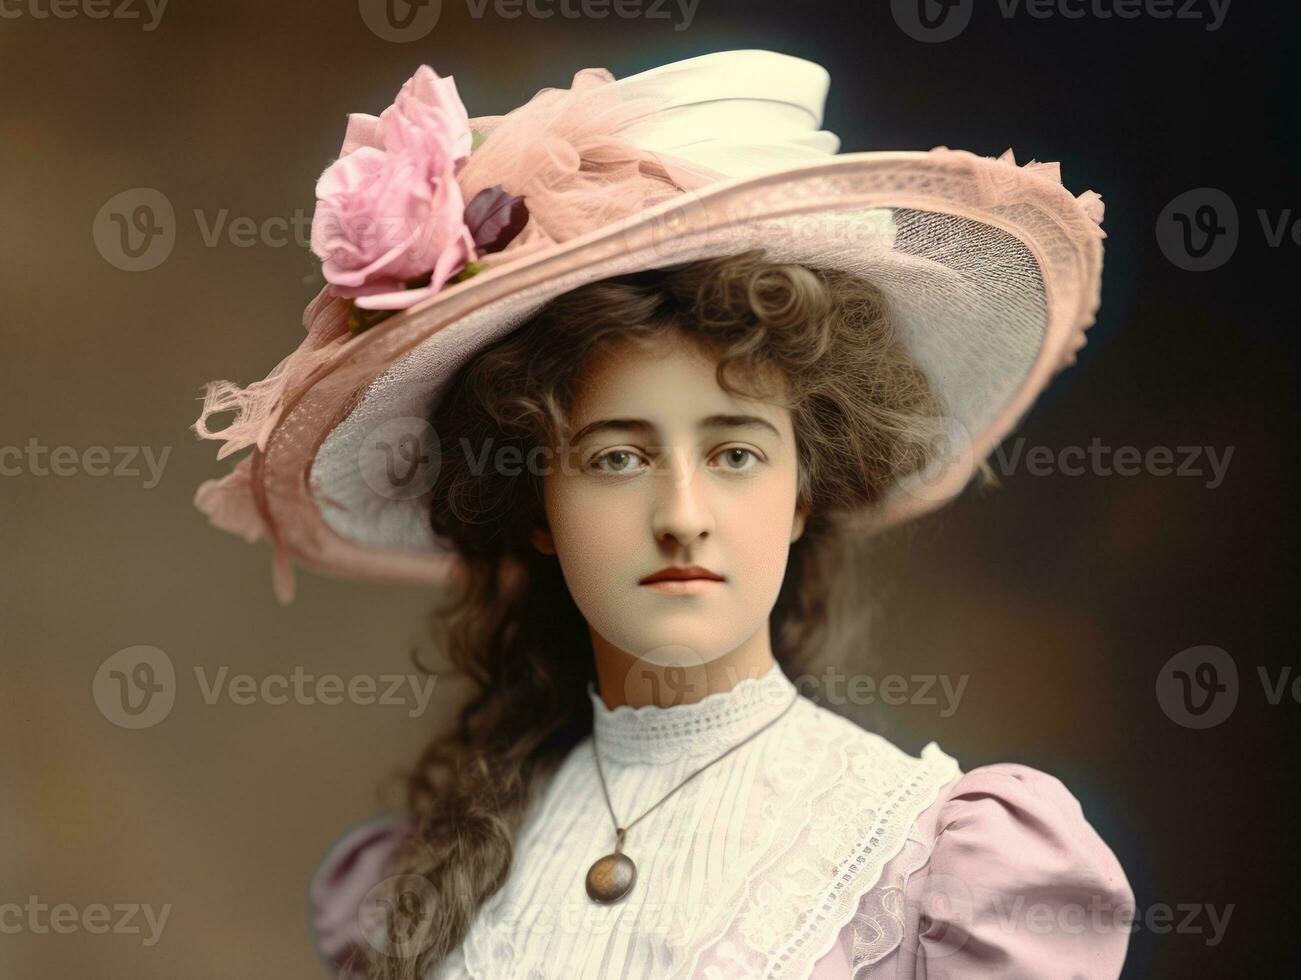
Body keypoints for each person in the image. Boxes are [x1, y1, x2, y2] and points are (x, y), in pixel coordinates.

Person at [192, 50, 1133, 979]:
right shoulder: (422, 874)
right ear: (535, 505)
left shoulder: (939, 867)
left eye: (734, 455)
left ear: (802, 491)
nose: (682, 515)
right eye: (615, 458)